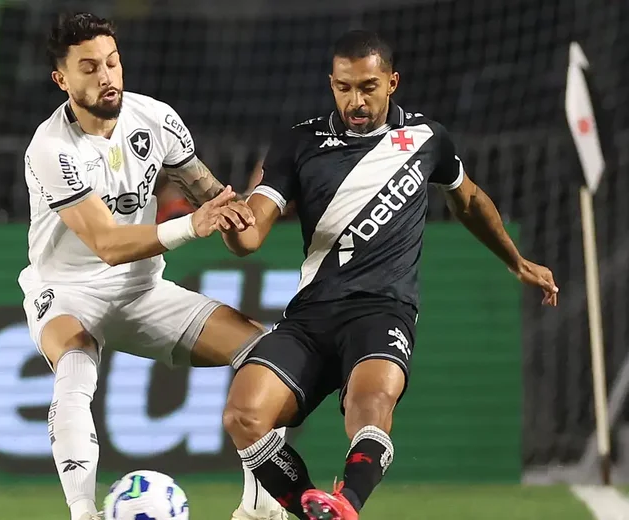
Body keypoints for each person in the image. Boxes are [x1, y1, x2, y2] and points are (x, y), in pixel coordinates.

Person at [219, 30, 559, 520]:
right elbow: (250, 238)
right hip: (311, 317)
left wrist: (516, 260)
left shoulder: (426, 138)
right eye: (343, 87)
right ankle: (314, 509)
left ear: (392, 82)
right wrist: (233, 226)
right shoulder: (299, 142)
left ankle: (348, 503)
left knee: (372, 399)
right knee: (242, 416)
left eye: (368, 87)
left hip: (382, 310)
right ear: (330, 83)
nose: (355, 101)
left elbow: (470, 202)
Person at [19, 12, 287, 520]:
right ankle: (83, 511)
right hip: (69, 290)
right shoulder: (51, 148)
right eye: (89, 67)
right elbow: (108, 244)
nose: (106, 76)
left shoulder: (158, 120)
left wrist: (264, 199)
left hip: (142, 292)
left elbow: (220, 207)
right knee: (74, 367)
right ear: (62, 80)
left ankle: (260, 507)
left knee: (270, 353)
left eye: (113, 63)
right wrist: (193, 224)